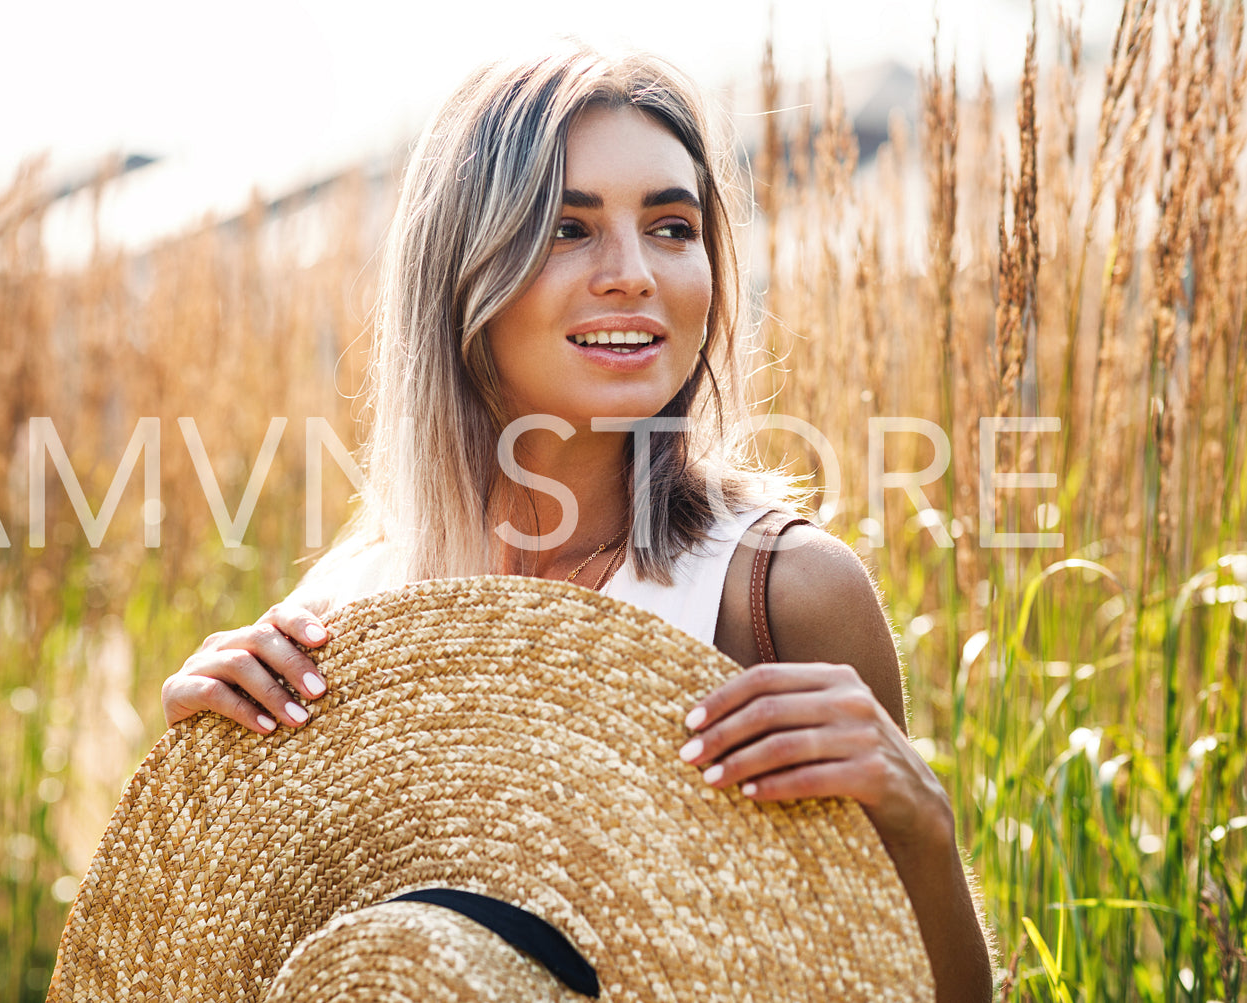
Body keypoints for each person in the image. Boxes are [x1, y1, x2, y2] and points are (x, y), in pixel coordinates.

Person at [161, 44, 993, 1001]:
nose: (633, 274)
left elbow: (920, 989)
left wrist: (917, 821)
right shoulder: (340, 618)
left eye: (672, 227)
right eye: (568, 227)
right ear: (461, 267)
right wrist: (199, 791)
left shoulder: (778, 595)